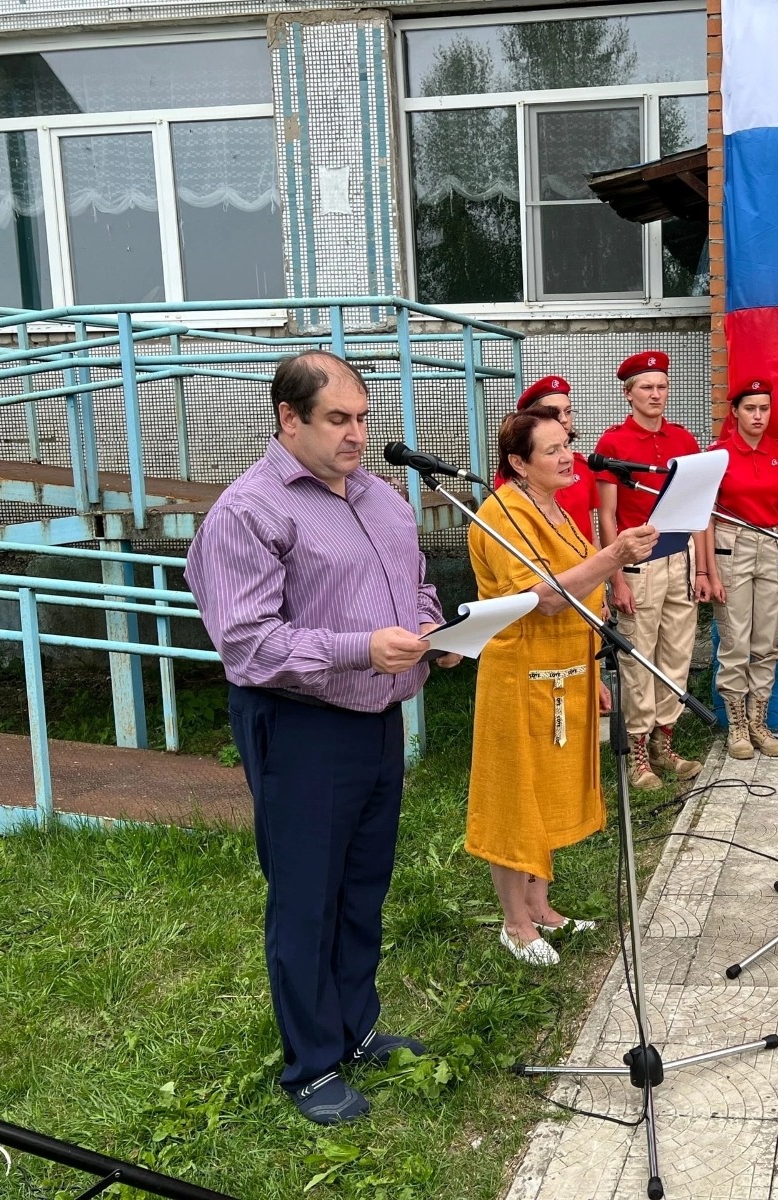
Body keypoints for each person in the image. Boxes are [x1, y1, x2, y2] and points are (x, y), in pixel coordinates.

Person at [185, 350, 461, 1125]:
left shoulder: (381, 496)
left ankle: (355, 1025)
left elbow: (412, 585)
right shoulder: (248, 512)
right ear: (289, 418)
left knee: (363, 884)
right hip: (300, 724)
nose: (356, 435)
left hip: (378, 718)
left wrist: (433, 628)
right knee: (308, 896)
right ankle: (310, 1064)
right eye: (338, 419)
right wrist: (359, 648)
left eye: (363, 418)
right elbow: (247, 643)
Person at [467, 410, 658, 965]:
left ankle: (541, 906)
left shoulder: (557, 509)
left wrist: (593, 671)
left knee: (548, 790)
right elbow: (545, 597)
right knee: (515, 798)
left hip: (567, 670)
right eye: (551, 450)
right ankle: (514, 923)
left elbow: (583, 591)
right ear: (518, 462)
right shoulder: (502, 512)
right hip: (517, 675)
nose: (567, 456)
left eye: (566, 444)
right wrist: (614, 555)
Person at [594, 350, 711, 790]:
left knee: (677, 653)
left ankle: (665, 742)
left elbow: (698, 509)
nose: (656, 394)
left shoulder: (683, 439)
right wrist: (616, 577)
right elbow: (607, 517)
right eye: (646, 387)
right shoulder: (613, 444)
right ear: (629, 394)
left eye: (662, 386)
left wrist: (703, 570)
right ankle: (638, 750)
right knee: (639, 657)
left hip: (681, 556)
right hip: (639, 564)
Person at [706, 378, 778, 760]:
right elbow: (707, 517)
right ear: (735, 412)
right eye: (750, 408)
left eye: (764, 408)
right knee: (735, 640)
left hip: (774, 544)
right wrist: (709, 572)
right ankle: (738, 726)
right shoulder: (718, 455)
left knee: (767, 642)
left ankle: (759, 722)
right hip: (733, 544)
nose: (758, 416)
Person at [491, 375, 599, 546]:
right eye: (553, 413)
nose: (564, 419)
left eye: (568, 411)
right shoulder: (514, 475)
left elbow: (591, 534)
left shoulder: (581, 466)